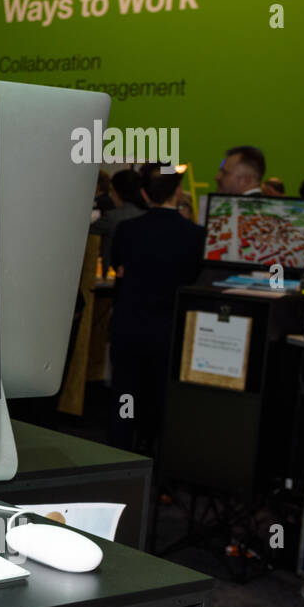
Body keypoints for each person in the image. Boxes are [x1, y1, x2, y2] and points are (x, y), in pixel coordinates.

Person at [108, 165, 206, 455]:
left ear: (143, 192)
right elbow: (193, 277)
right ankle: (155, 458)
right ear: (178, 191)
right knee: (160, 399)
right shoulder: (196, 235)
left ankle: (120, 456)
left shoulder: (128, 229)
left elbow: (119, 267)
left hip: (129, 326)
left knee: (125, 396)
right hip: (169, 329)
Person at [89, 168, 145, 273]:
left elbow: (87, 229)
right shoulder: (146, 214)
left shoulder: (112, 217)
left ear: (118, 193)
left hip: (114, 272)